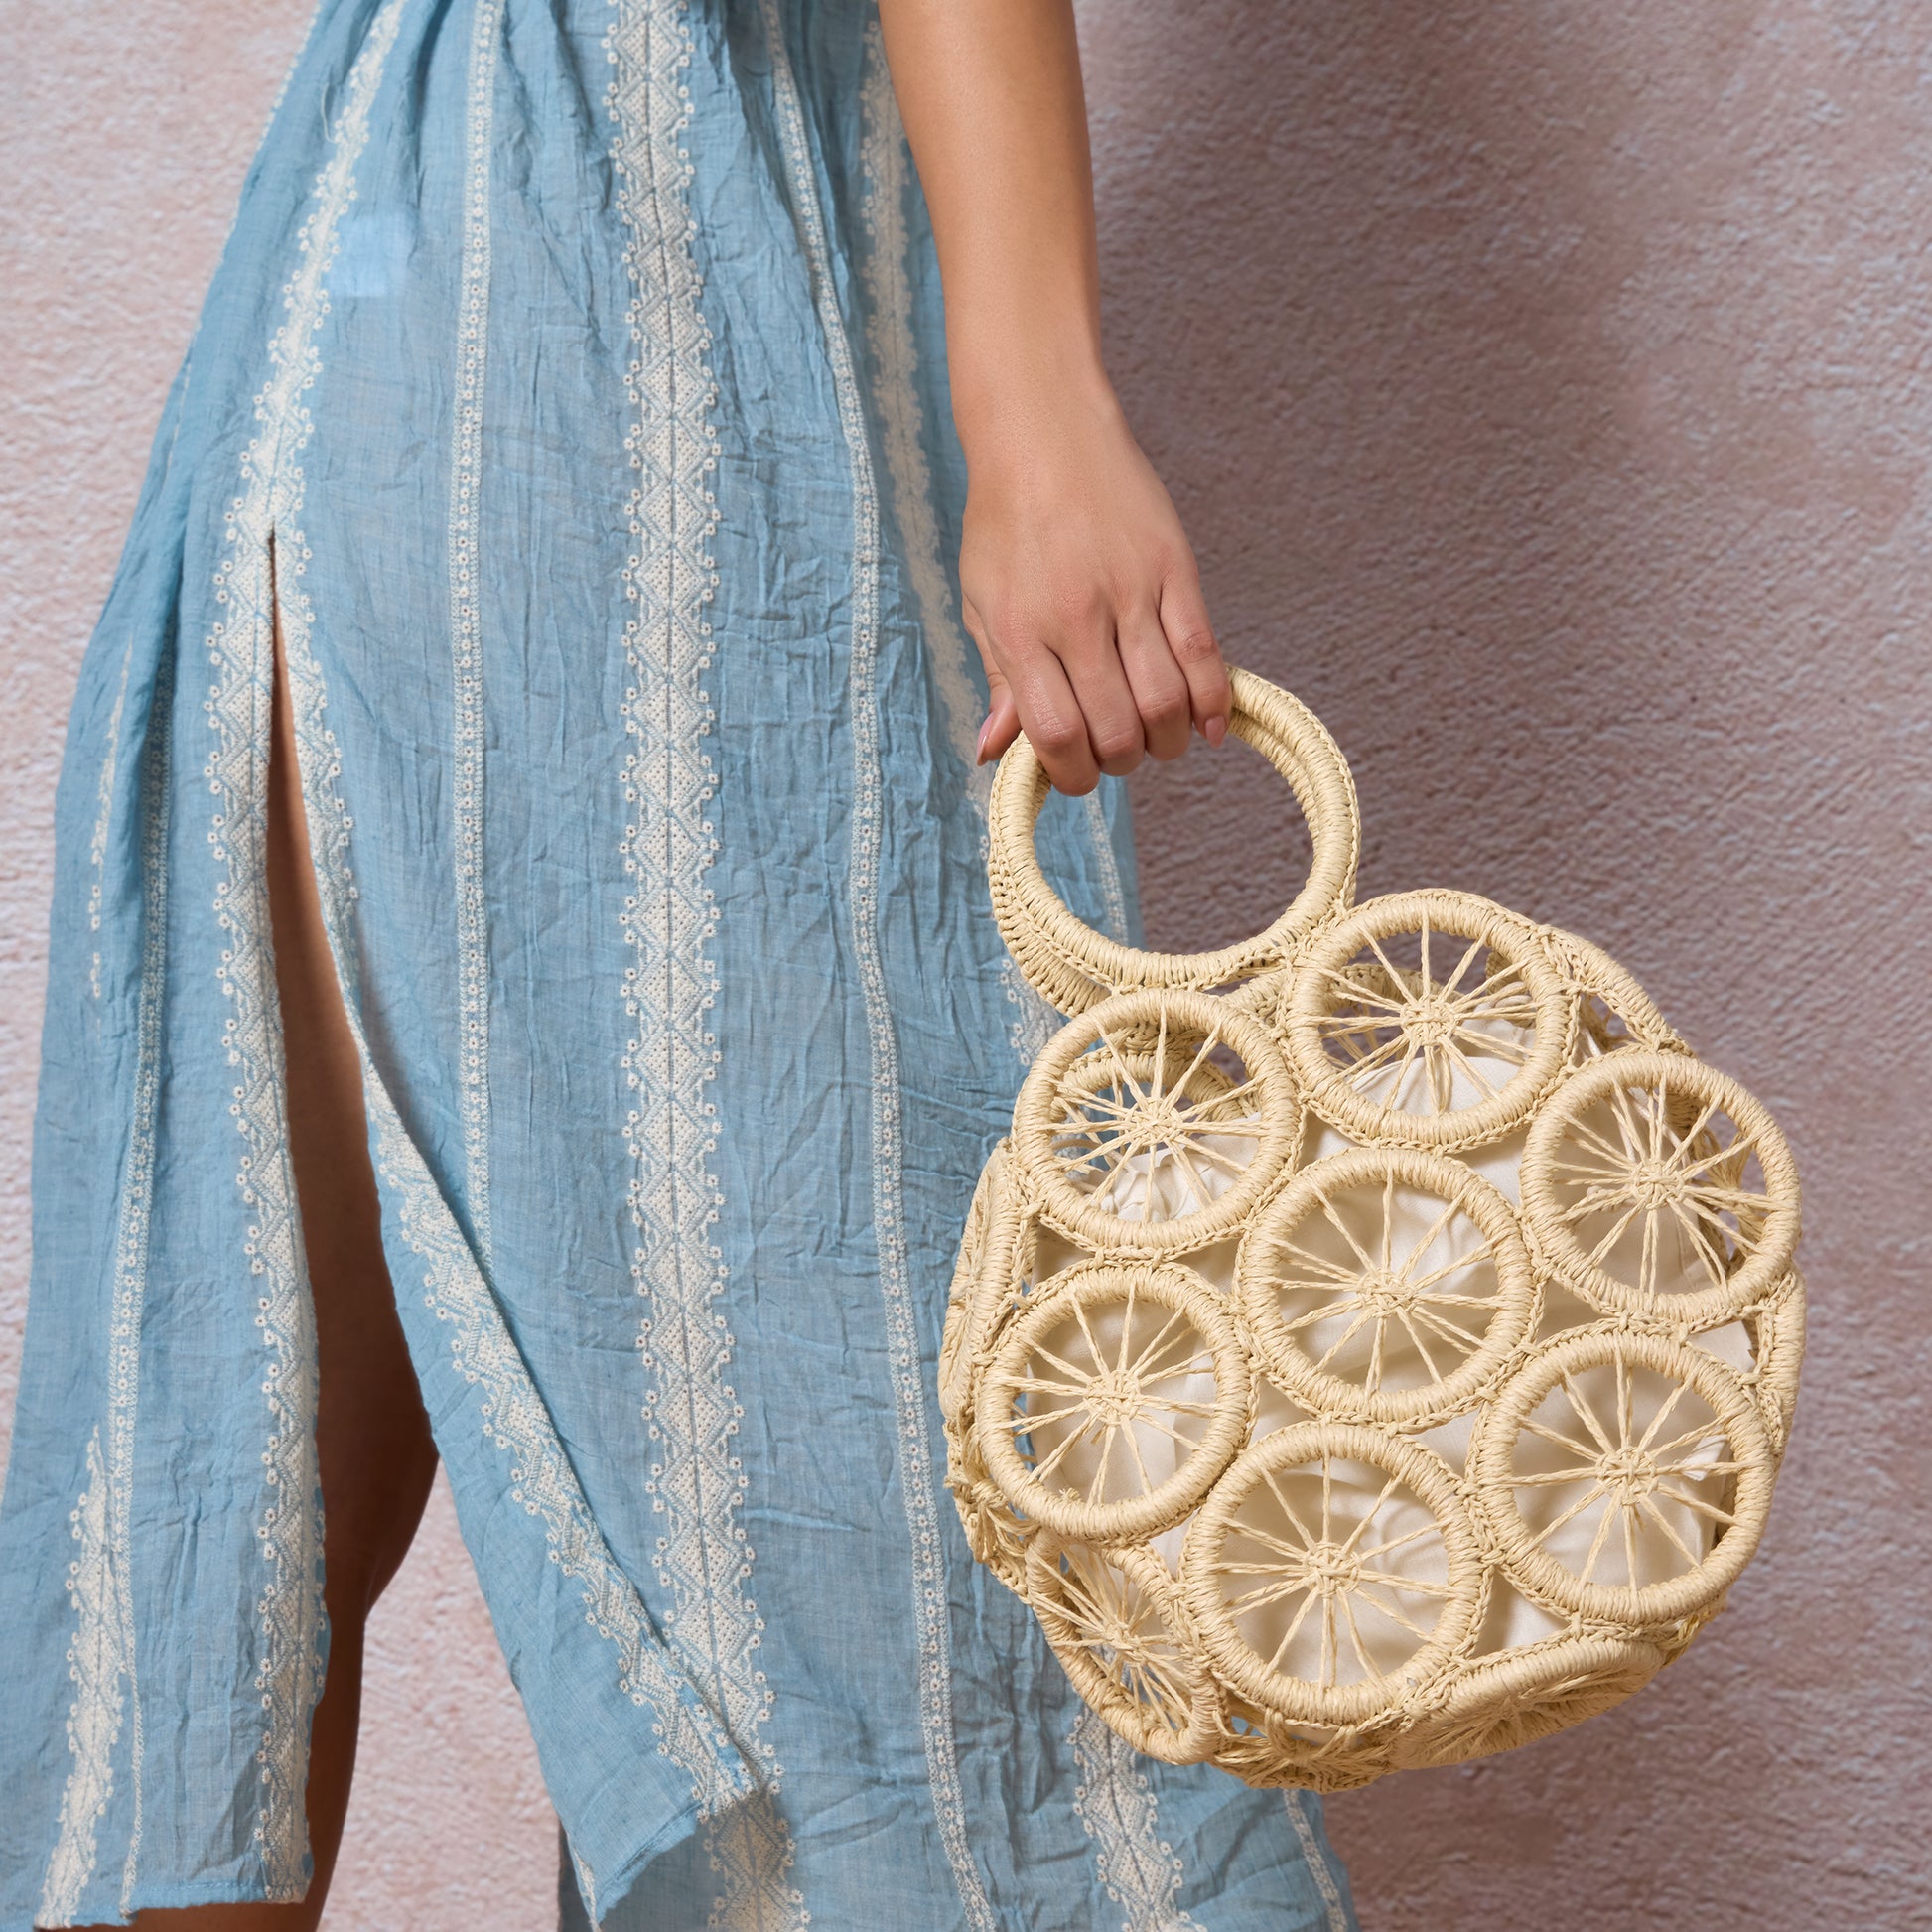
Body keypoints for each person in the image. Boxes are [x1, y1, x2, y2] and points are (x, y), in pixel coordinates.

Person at [0, 0, 1356, 1925]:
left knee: (227, 1540)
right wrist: (1035, 400)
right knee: (903, 1518)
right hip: (633, 330)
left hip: (359, 311)